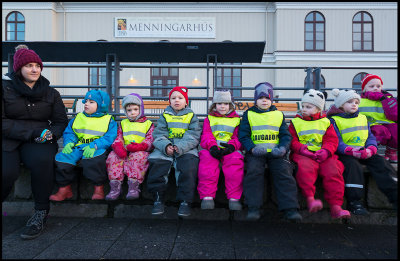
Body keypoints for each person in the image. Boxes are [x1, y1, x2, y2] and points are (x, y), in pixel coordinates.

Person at [2, 44, 69, 239]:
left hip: (39, 140)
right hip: (8, 138)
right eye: (29, 65)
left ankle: (40, 213)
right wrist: (33, 132)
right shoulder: (5, 88)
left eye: (37, 65)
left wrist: (51, 135)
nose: (34, 69)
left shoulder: (51, 93)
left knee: (42, 163)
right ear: (18, 68)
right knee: (6, 172)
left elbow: (60, 121)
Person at [327, 88, 398, 215]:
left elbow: (370, 136)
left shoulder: (362, 118)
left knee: (380, 162)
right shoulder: (334, 120)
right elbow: (336, 141)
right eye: (349, 102)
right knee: (353, 167)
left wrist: (371, 148)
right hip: (345, 153)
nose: (354, 104)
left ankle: (394, 195)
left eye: (356, 102)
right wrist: (350, 150)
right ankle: (355, 202)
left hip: (364, 151)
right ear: (341, 105)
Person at [239, 82, 302, 222]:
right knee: (254, 172)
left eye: (267, 98)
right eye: (261, 98)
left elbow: (285, 136)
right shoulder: (248, 114)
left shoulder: (278, 115)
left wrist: (283, 149)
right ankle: (253, 208)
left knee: (284, 172)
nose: (264, 101)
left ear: (271, 100)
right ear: (255, 100)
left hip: (276, 153)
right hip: (256, 153)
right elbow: (243, 135)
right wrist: (252, 148)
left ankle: (290, 209)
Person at [288, 89, 350, 219]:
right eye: (303, 106)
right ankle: (310, 199)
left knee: (333, 170)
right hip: (303, 154)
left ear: (318, 109)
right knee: (305, 169)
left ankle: (336, 207)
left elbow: (332, 140)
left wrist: (326, 151)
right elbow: (292, 140)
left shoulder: (326, 122)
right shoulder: (295, 122)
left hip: (324, 154)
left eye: (308, 107)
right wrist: (301, 149)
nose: (304, 109)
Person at [49, 89, 117, 201]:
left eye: (91, 102)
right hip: (78, 147)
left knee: (95, 160)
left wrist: (95, 145)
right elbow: (70, 132)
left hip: (96, 148)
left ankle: (98, 188)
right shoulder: (78, 117)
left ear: (101, 105)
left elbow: (110, 137)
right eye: (86, 101)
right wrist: (69, 143)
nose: (86, 104)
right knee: (62, 159)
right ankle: (64, 188)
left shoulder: (108, 120)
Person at [146, 86, 201, 217]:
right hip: (166, 147)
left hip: (185, 148)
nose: (177, 100)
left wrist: (180, 147)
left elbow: (194, 135)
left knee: (188, 167)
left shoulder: (191, 116)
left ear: (186, 101)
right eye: (173, 98)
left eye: (180, 98)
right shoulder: (165, 116)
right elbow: (158, 133)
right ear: (169, 101)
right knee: (157, 163)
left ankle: (185, 201)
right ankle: (158, 198)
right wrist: (165, 146)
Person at [197, 90, 244, 211]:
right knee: (207, 164)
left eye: (225, 103)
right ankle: (207, 196)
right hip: (211, 148)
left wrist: (232, 146)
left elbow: (238, 137)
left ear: (230, 105)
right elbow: (206, 135)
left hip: (230, 149)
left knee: (235, 165)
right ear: (214, 105)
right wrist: (212, 146)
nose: (222, 106)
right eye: (219, 103)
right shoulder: (210, 119)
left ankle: (234, 198)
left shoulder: (237, 119)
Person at [105, 93, 154, 200]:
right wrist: (118, 146)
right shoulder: (123, 123)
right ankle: (115, 186)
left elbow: (150, 139)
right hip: (125, 149)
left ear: (141, 109)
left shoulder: (148, 123)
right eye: (129, 110)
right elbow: (119, 136)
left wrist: (141, 146)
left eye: (135, 109)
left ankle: (134, 186)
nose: (132, 113)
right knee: (113, 157)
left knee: (138, 158)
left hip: (140, 149)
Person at [358, 74, 397, 163]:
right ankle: (374, 151)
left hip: (387, 122)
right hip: (371, 124)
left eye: (378, 86)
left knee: (396, 130)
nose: (375, 88)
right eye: (371, 86)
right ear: (364, 89)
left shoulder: (387, 98)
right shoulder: (360, 100)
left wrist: (384, 100)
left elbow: (394, 115)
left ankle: (391, 151)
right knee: (379, 131)